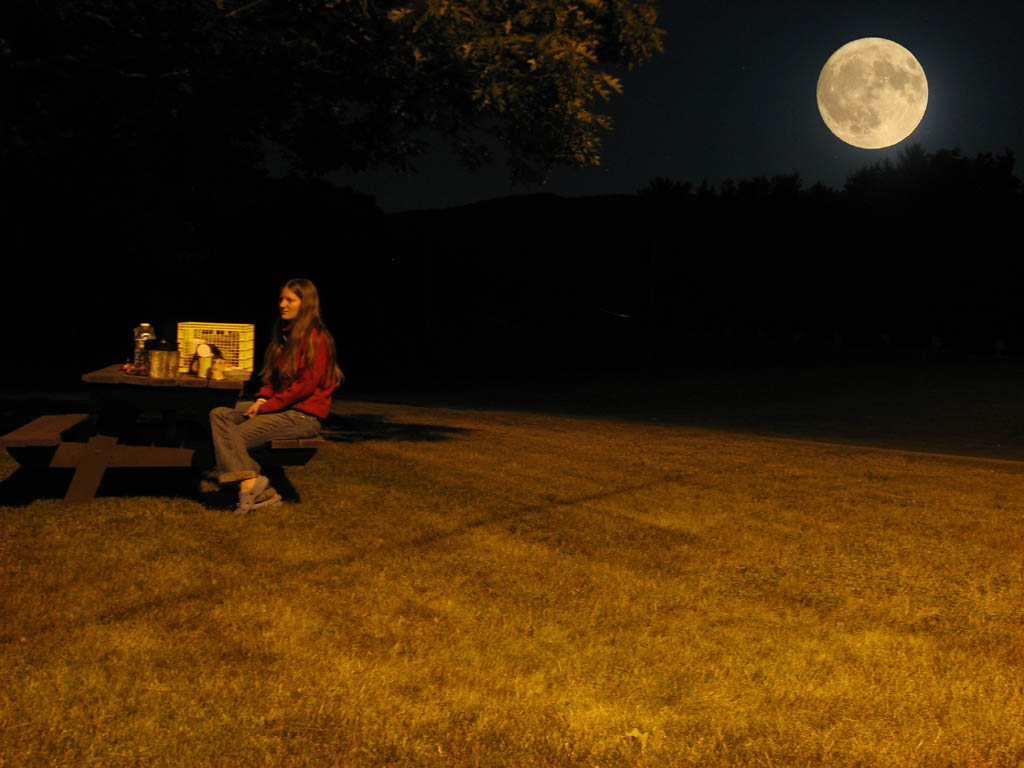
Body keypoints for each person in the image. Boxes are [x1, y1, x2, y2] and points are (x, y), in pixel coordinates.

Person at [209, 278, 343, 513]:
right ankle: (256, 485)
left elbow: (304, 386)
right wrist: (262, 398)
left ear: (306, 304)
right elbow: (272, 377)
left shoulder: (316, 339)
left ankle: (249, 488)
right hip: (279, 408)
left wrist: (265, 407)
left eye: (290, 300)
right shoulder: (284, 335)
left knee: (230, 439)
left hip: (301, 416)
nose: (282, 304)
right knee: (220, 414)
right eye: (281, 299)